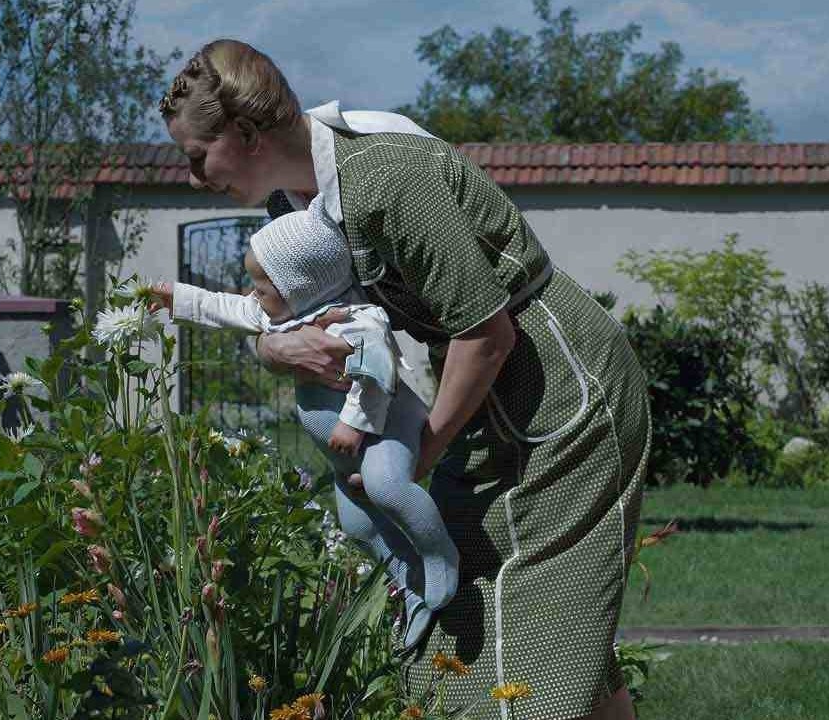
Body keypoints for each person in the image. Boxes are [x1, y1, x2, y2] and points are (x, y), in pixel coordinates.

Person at [158, 39, 652, 720]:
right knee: (505, 606)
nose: (192, 177)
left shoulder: (386, 177)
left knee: (512, 609)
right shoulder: (297, 210)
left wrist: (420, 456)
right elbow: (298, 323)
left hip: (557, 382)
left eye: (196, 156)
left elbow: (487, 334)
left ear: (243, 133)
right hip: (487, 394)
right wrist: (279, 353)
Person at [151, 194, 460, 651]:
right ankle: (408, 577)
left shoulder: (358, 321)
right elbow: (227, 308)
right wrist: (176, 297)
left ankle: (439, 557)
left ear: (299, 285)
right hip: (343, 453)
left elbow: (378, 373)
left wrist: (354, 423)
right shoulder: (285, 315)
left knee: (387, 487)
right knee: (358, 526)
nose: (252, 293)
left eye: (262, 286)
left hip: (384, 431)